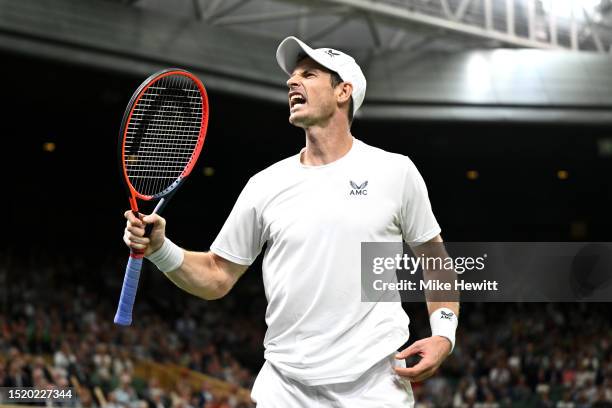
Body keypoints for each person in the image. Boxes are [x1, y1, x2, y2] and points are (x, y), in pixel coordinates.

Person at [123, 36, 459, 407]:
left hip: (375, 386)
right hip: (285, 389)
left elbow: (435, 260)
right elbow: (217, 277)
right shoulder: (265, 185)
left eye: (308, 74)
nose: (291, 82)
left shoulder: (395, 172)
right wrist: (160, 249)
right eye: (292, 76)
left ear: (343, 92)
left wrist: (444, 333)